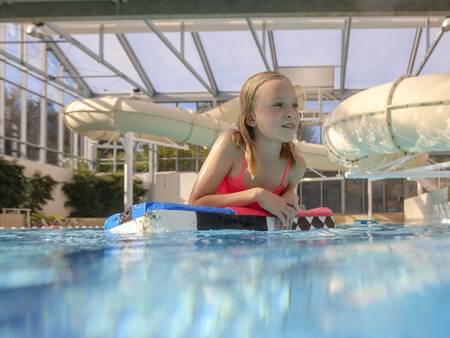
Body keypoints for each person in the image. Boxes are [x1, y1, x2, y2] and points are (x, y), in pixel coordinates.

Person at [187, 71, 306, 228]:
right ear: (251, 118)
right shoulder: (232, 146)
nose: (292, 113)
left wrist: (291, 196)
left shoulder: (295, 165)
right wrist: (257, 195)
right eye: (278, 104)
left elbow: (287, 205)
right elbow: (195, 202)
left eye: (295, 105)